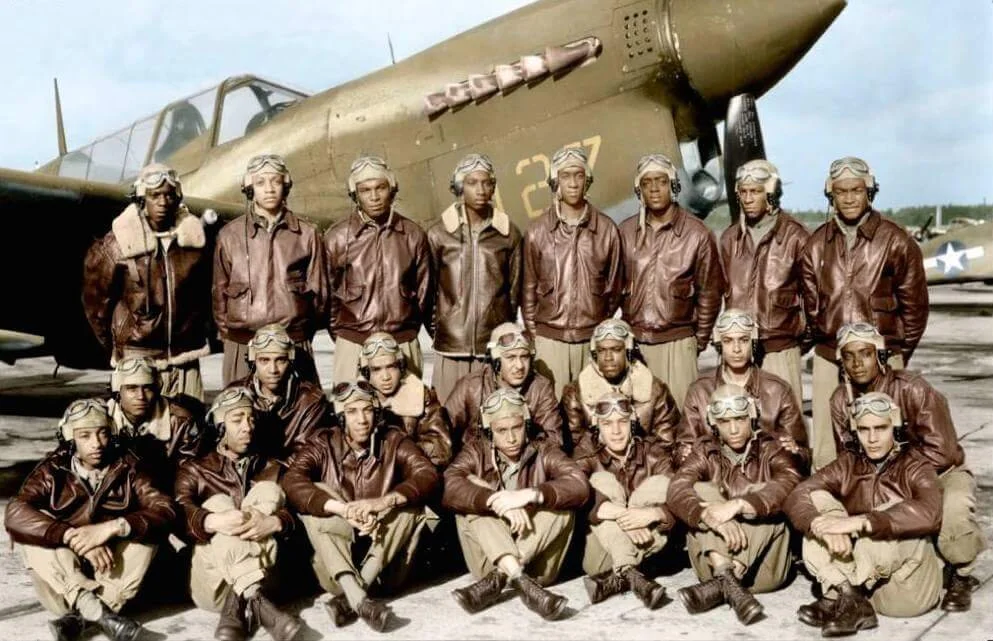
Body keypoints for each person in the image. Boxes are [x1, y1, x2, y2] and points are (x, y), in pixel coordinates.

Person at [830, 322, 986, 611]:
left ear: (880, 355)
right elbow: (848, 458)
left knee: (954, 516)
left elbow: (943, 450)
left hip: (939, 474)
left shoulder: (913, 388)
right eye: (849, 356)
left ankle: (960, 573)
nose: (857, 363)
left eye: (865, 353)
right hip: (882, 481)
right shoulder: (841, 399)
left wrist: (900, 485)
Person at [5, 399, 175, 641]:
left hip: (111, 578)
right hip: (65, 584)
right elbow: (14, 512)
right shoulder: (53, 470)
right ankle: (100, 614)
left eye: (102, 433)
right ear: (70, 437)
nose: (96, 444)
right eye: (85, 435)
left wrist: (112, 528)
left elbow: (165, 508)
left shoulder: (129, 467)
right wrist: (72, 536)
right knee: (28, 534)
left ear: (112, 433)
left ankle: (80, 620)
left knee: (148, 534)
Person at [801, 156, 928, 469]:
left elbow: (914, 309)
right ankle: (827, 507)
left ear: (870, 191)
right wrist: (827, 346)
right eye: (841, 191)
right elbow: (809, 306)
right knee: (827, 449)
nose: (848, 198)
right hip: (830, 357)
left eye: (856, 190)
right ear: (831, 195)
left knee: (884, 440)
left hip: (881, 359)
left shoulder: (896, 241)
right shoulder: (816, 244)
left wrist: (893, 355)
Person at [281, 381, 439, 632]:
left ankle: (352, 599)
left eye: (367, 410)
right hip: (336, 569)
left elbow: (426, 473)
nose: (362, 419)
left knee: (411, 506)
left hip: (384, 568)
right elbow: (291, 480)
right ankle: (360, 599)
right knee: (317, 500)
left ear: (376, 414)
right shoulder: (322, 443)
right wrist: (343, 510)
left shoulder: (393, 439)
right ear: (341, 417)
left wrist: (384, 502)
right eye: (352, 412)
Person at [785, 392, 943, 636]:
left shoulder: (915, 465)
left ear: (895, 426)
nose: (872, 439)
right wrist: (821, 525)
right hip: (863, 576)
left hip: (904, 590)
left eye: (881, 428)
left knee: (887, 515)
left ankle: (845, 593)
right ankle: (848, 596)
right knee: (816, 505)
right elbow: (798, 494)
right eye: (864, 429)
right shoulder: (849, 462)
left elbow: (931, 512)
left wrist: (859, 522)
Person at [442, 388, 589, 620]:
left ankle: (503, 576)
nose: (511, 438)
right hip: (487, 561)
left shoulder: (543, 449)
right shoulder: (476, 451)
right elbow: (450, 483)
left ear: (526, 424)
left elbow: (579, 484)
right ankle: (521, 582)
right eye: (501, 431)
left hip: (537, 565)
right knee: (474, 506)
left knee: (561, 509)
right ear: (489, 432)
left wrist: (530, 495)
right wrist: (494, 499)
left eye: (517, 428)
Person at [174, 387, 302, 641]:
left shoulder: (273, 467)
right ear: (220, 427)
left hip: (269, 578)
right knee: (219, 503)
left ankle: (245, 601)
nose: (248, 427)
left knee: (267, 490)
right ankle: (255, 600)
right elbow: (176, 512)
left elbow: (301, 509)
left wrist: (276, 522)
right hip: (214, 586)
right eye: (237, 420)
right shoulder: (195, 469)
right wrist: (211, 521)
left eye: (251, 418)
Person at [668, 385, 803, 626]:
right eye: (724, 421)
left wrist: (741, 505)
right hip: (712, 562)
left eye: (740, 419)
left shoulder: (772, 447)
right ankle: (727, 579)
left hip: (765, 569)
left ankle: (726, 581)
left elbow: (790, 482)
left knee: (768, 498)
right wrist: (706, 514)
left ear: (751, 416)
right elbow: (677, 488)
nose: (733, 429)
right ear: (713, 423)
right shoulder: (704, 450)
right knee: (701, 492)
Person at [83, 163, 211, 401]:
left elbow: (203, 295)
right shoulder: (117, 244)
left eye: (169, 195)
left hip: (185, 359)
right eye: (155, 196)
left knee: (190, 429)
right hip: (138, 359)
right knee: (141, 432)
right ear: (142, 199)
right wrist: (120, 345)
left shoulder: (193, 243)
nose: (163, 202)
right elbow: (96, 304)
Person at [618, 154, 725, 410]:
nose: (654, 188)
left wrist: (696, 342)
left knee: (681, 419)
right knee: (638, 419)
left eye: (662, 181)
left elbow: (710, 293)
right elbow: (610, 289)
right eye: (647, 183)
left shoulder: (697, 234)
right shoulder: (624, 232)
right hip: (636, 342)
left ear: (674, 185)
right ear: (639, 189)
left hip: (678, 344)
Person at [213, 154, 328, 386]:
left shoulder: (307, 234)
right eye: (260, 182)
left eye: (275, 181)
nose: (269, 189)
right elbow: (219, 293)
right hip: (242, 343)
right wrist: (235, 337)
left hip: (293, 342)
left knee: (300, 412)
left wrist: (299, 334)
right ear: (249, 188)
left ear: (285, 185)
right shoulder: (229, 236)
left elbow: (320, 295)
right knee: (239, 413)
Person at [522, 146, 622, 397]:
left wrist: (594, 323)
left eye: (579, 175)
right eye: (566, 176)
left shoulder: (607, 230)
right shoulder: (537, 231)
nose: (573, 183)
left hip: (591, 338)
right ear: (555, 182)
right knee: (552, 410)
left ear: (587, 181)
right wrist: (539, 338)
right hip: (550, 340)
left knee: (592, 410)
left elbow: (614, 288)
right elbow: (528, 291)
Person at [324, 155, 434, 383]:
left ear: (392, 189)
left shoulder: (413, 235)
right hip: (353, 344)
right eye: (365, 190)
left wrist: (407, 333)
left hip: (402, 344)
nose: (374, 197)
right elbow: (328, 299)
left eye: (380, 188)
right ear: (355, 194)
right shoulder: (336, 238)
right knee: (354, 414)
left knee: (407, 415)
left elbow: (425, 295)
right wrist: (348, 337)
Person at [427, 153, 524, 403]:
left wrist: (498, 331)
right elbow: (428, 293)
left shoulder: (508, 234)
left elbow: (513, 293)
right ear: (460, 188)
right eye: (472, 183)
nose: (480, 190)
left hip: (490, 348)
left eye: (486, 183)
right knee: (447, 418)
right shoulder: (439, 234)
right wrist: (445, 329)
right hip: (450, 349)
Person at [720, 160, 810, 403]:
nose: (748, 198)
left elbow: (814, 302)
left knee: (785, 426)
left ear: (770, 193)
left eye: (756, 191)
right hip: (738, 354)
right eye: (743, 192)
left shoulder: (796, 237)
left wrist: (791, 340)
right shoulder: (730, 239)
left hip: (779, 350)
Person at [573, 391, 672, 610]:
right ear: (598, 425)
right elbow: (574, 494)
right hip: (601, 556)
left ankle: (620, 577)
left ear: (633, 422)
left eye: (622, 422)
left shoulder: (653, 452)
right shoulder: (585, 452)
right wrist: (623, 516)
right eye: (608, 424)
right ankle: (629, 571)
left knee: (660, 483)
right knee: (601, 480)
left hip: (649, 544)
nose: (616, 431)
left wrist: (653, 514)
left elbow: (679, 495)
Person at [679, 309, 809, 468]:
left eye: (743, 340)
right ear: (719, 343)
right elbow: (683, 448)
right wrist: (683, 454)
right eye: (728, 341)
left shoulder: (778, 390)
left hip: (764, 475)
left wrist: (794, 452)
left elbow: (803, 454)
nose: (736, 349)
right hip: (714, 474)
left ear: (753, 341)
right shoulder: (699, 391)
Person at [560, 318, 680, 457]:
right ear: (594, 353)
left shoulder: (655, 391)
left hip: (643, 465)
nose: (608, 357)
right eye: (601, 350)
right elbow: (573, 446)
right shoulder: (576, 393)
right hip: (595, 466)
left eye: (616, 349)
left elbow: (666, 443)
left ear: (628, 350)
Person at [444, 322, 562, 450]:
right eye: (511, 357)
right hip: (478, 463)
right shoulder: (470, 387)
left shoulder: (540, 388)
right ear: (496, 361)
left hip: (524, 463)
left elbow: (553, 440)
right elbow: (443, 431)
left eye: (524, 357)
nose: (520, 366)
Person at [228, 323, 331, 466]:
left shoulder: (310, 401)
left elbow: (306, 458)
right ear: (252, 360)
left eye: (280, 360)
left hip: (291, 478)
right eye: (264, 360)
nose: (273, 370)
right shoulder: (235, 394)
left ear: (290, 360)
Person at [108, 356, 204, 491]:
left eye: (147, 388)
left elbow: (189, 477)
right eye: (132, 388)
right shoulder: (102, 421)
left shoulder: (181, 422)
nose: (140, 396)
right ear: (117, 393)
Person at [358, 331, 452, 468]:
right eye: (377, 369)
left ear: (401, 367)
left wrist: (398, 452)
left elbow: (441, 450)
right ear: (367, 373)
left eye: (391, 367)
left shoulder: (421, 395)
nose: (385, 377)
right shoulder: (354, 399)